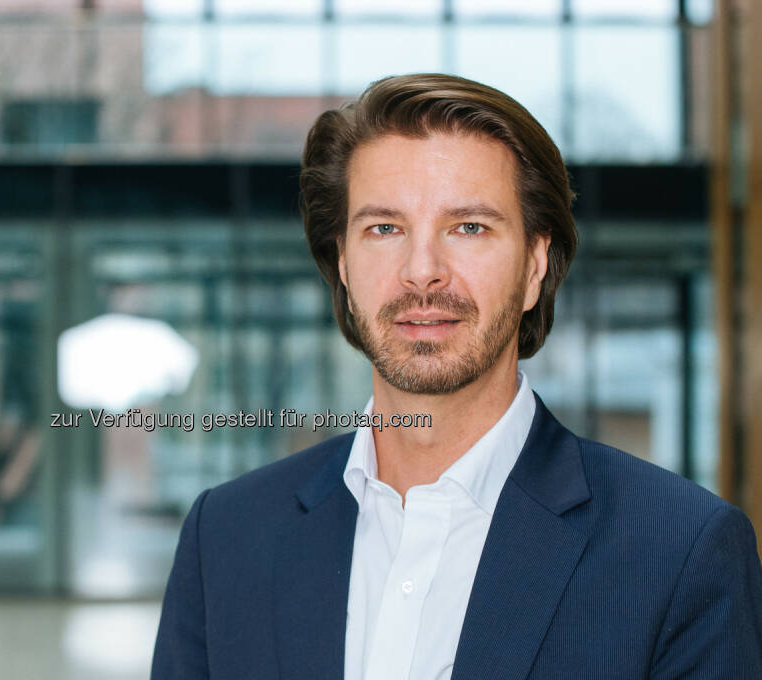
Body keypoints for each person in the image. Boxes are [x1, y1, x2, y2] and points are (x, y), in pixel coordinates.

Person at [150, 73, 762, 680]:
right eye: (384, 229)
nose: (422, 272)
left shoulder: (680, 551)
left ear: (533, 265)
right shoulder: (226, 537)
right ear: (343, 263)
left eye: (469, 227)